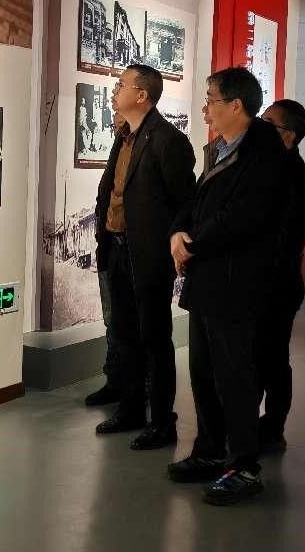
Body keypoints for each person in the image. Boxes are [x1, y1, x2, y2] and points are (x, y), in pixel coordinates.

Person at [167, 68, 290, 506]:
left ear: (236, 106)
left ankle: (244, 465)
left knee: (235, 377)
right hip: (208, 280)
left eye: (212, 100)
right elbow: (194, 201)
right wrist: (178, 231)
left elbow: (243, 218)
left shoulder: (264, 153)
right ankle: (210, 450)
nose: (205, 109)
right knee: (203, 372)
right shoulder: (220, 148)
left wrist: (192, 244)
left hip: (237, 283)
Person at [94, 64, 196, 449]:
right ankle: (131, 408)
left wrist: (172, 241)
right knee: (124, 335)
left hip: (148, 256)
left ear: (141, 95)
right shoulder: (124, 137)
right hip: (118, 249)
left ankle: (162, 421)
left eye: (121, 84)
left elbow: (185, 202)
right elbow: (112, 193)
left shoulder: (169, 141)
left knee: (154, 339)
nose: (115, 89)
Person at [257, 99, 305, 453]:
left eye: (269, 123)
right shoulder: (271, 167)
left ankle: (273, 426)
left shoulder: (291, 176)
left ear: (288, 135)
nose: (259, 128)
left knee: (272, 358)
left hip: (275, 283)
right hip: (265, 280)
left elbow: (278, 237)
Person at [85, 112, 129, 407]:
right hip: (110, 246)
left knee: (128, 323)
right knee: (112, 319)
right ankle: (115, 380)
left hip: (129, 248)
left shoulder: (157, 143)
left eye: (119, 94)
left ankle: (137, 387)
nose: (114, 108)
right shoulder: (119, 144)